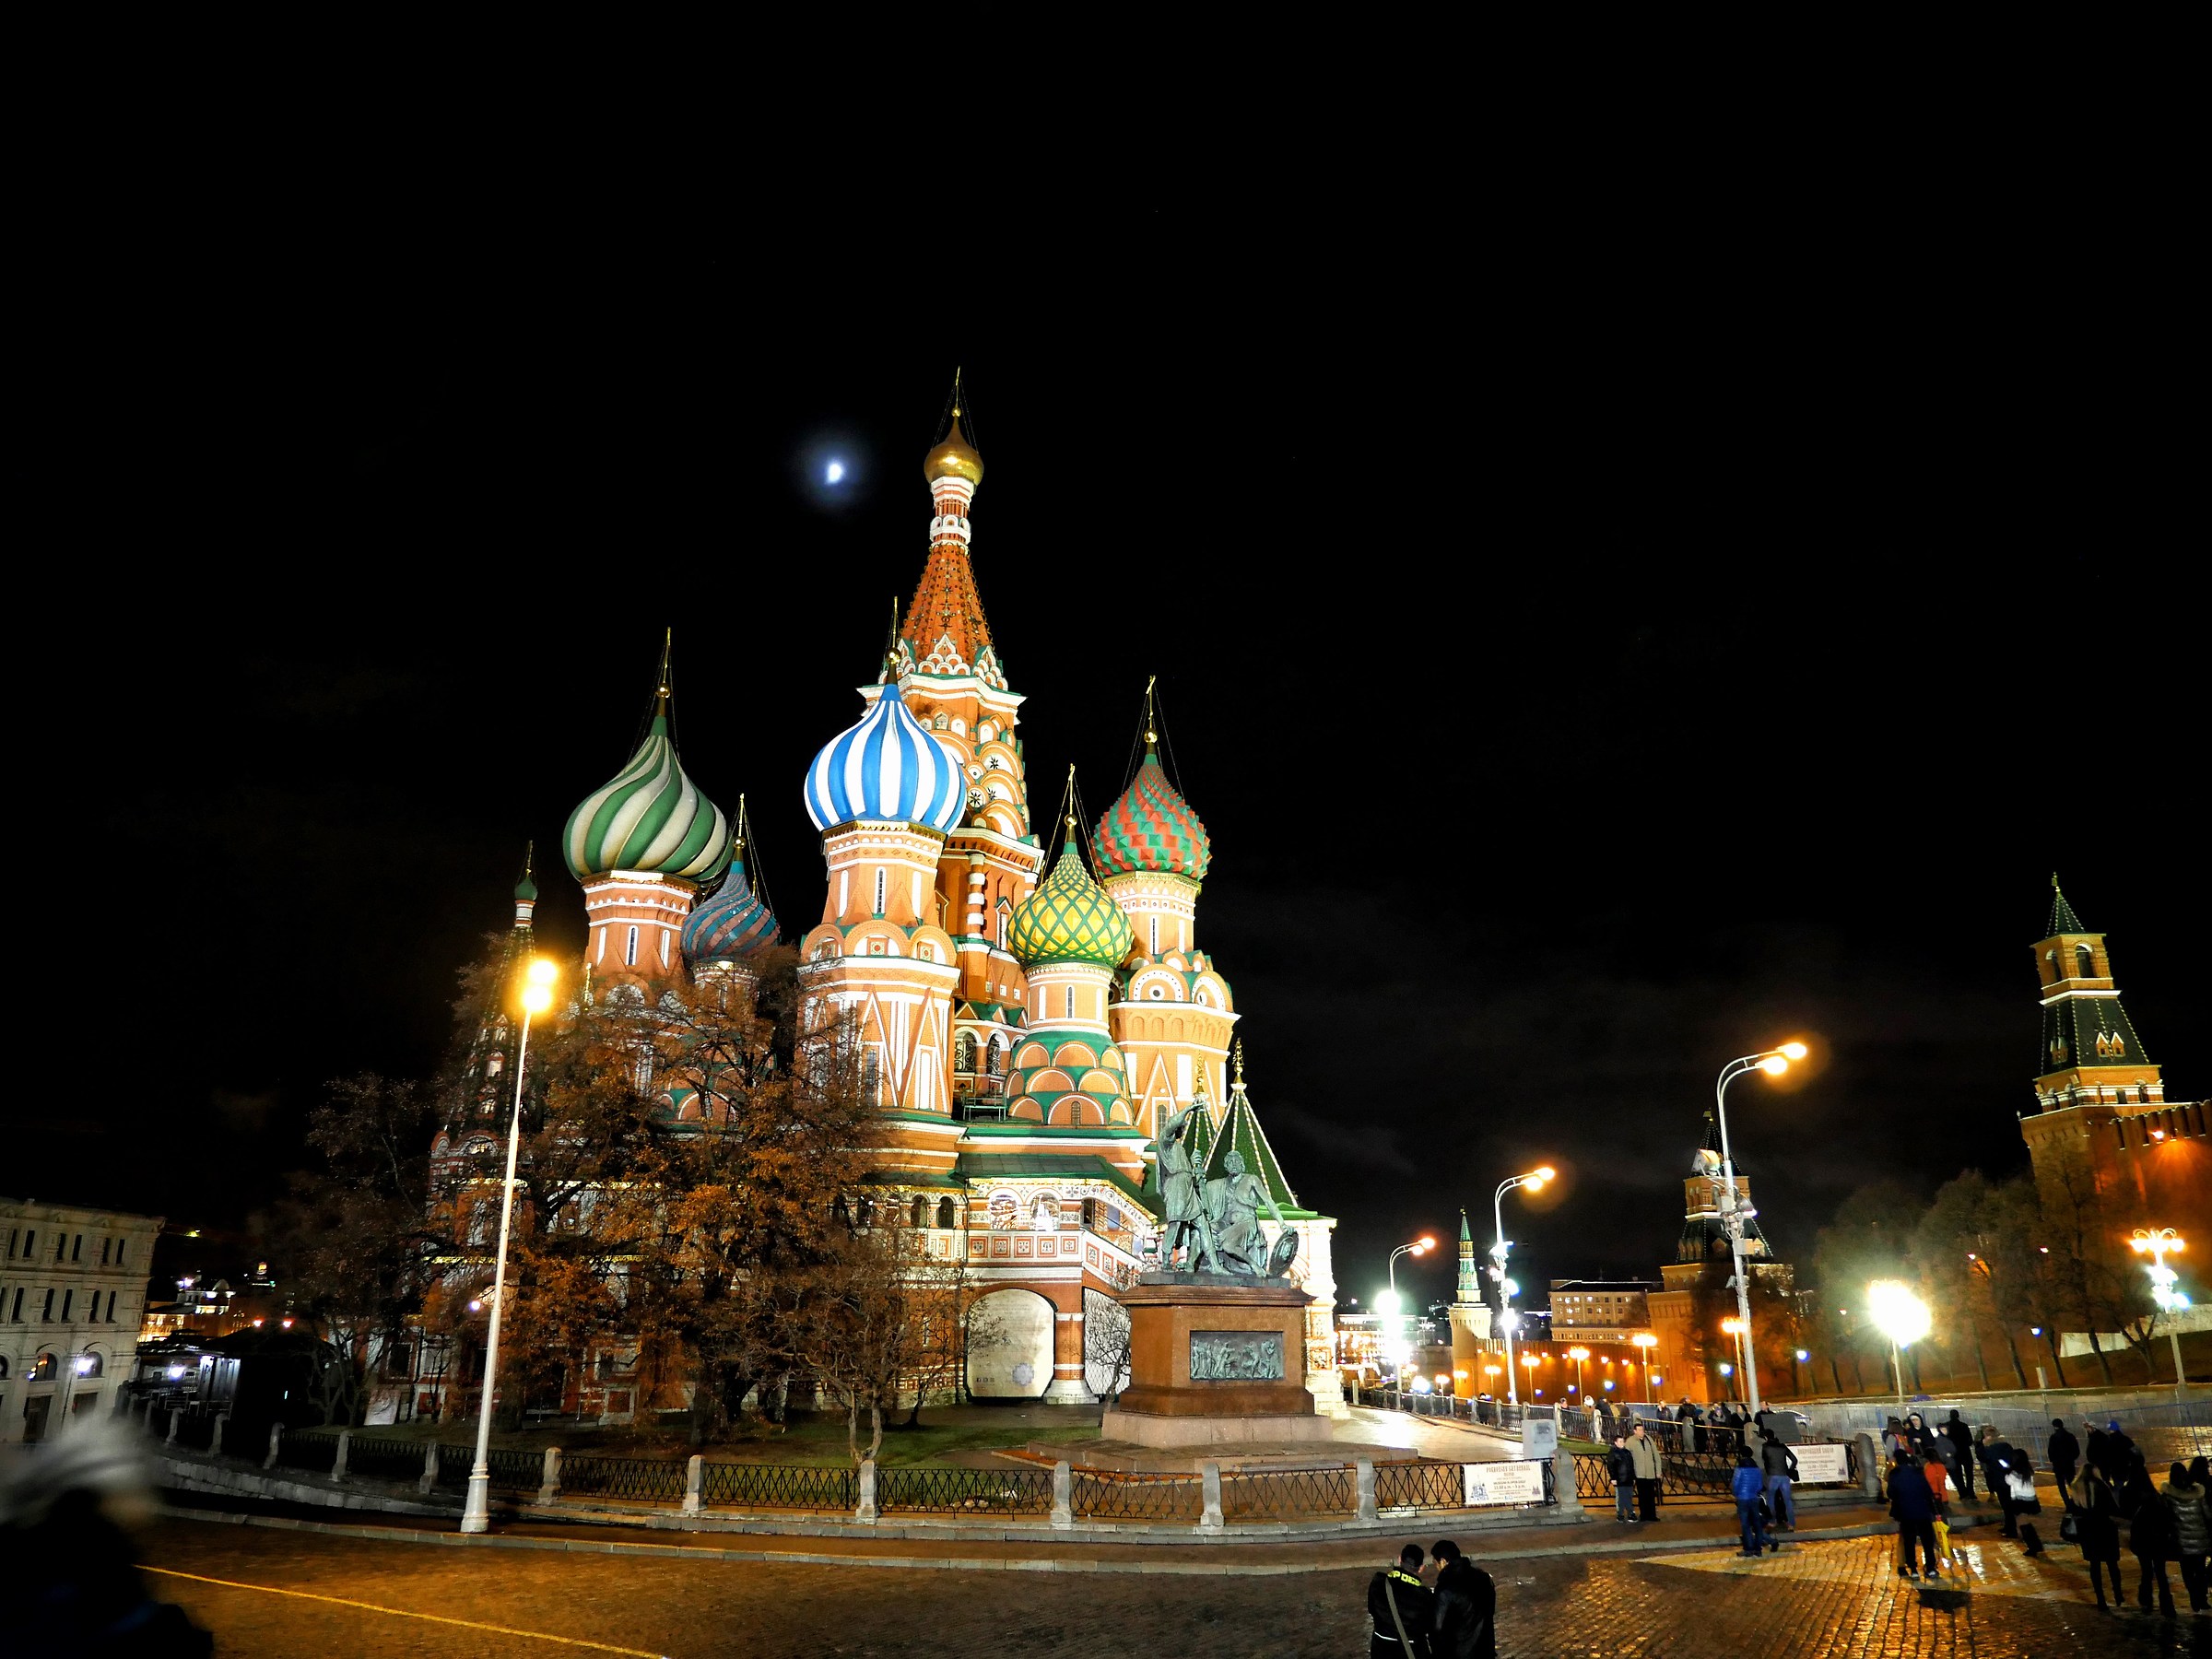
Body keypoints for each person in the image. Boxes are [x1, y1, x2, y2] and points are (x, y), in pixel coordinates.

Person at [2071, 1453, 2127, 1608]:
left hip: (2087, 1531)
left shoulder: (2076, 1488)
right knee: (2112, 1565)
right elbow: (2113, 1509)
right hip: (2105, 1529)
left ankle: (2100, 1599)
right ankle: (2117, 1593)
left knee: (2094, 1566)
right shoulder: (2102, 1486)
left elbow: (2073, 1510)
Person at [2124, 1453, 2177, 1617]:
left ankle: (2146, 1601)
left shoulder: (2129, 1492)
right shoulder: (2154, 1495)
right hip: (2158, 1538)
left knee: (2146, 1570)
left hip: (2142, 1539)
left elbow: (2124, 1511)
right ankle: (2167, 1605)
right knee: (2160, 1571)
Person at [1429, 1538, 1496, 1659]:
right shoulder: (1484, 1579)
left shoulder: (1445, 1588)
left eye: (1436, 1563)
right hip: (1485, 1650)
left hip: (1459, 1653)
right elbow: (1490, 1610)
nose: (1437, 1568)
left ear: (1443, 1561)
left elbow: (1437, 1627)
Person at [1368, 1543, 1435, 1657]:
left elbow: (1371, 1609)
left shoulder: (1378, 1583)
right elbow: (1429, 1626)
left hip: (1381, 1649)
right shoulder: (1425, 1596)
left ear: (1399, 1559)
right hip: (1412, 1651)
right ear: (1421, 1568)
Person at [2160, 1460, 2209, 1615]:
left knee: (2188, 1572)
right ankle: (2203, 1599)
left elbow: (2166, 1519)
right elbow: (2207, 1514)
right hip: (2201, 1539)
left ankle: (2194, 1597)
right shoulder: (2198, 1494)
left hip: (2181, 1541)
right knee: (2200, 1570)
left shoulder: (2168, 1497)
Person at [1888, 1449, 1941, 1581]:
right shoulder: (1918, 1472)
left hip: (1906, 1512)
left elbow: (1891, 1493)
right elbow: (1928, 1492)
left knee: (1909, 1541)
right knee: (1927, 1541)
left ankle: (1913, 1569)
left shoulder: (1895, 1474)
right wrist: (1935, 1512)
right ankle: (1931, 1568)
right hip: (1922, 1511)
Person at [1978, 1427, 2023, 1539]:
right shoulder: (2006, 1446)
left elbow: (1983, 1458)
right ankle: (2008, 1526)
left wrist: (1981, 1445)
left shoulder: (1991, 1448)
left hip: (1999, 1479)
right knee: (2008, 1505)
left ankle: (2011, 1530)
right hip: (2009, 1478)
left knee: (2006, 1505)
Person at [1732, 1446, 1772, 1558]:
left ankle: (1749, 1548)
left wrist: (1737, 1494)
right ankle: (1758, 1549)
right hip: (1754, 1498)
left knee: (1745, 1525)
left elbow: (1735, 1485)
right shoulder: (1756, 1468)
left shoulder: (1739, 1469)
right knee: (1757, 1524)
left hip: (1743, 1499)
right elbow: (1759, 1485)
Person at [1923, 1443, 1956, 1568]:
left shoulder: (1929, 1467)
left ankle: (1937, 1540)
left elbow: (1927, 1482)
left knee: (1933, 1520)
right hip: (1943, 1496)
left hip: (1932, 1497)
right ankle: (1944, 1537)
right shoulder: (1942, 1466)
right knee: (1943, 1518)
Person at [1761, 1430, 1800, 1534]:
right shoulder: (1782, 1446)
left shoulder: (1765, 1447)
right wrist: (1790, 1470)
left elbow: (1765, 1460)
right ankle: (1791, 1523)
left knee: (1771, 1500)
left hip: (1772, 1476)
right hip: (1784, 1476)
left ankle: (1772, 1521)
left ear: (1766, 1437)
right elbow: (1794, 1460)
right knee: (1788, 1501)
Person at [1628, 1420, 1665, 1524]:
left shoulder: (1649, 1439)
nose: (1641, 1432)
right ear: (1634, 1431)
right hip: (1639, 1473)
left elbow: (1656, 1455)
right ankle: (1644, 1515)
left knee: (1651, 1495)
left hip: (1650, 1472)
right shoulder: (1630, 1441)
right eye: (1639, 1430)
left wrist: (1658, 1471)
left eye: (1642, 1430)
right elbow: (1628, 1457)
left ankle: (1652, 1515)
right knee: (1642, 1496)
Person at [2047, 1418, 2082, 1511]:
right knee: (2072, 1484)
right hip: (2069, 1465)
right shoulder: (2070, 1436)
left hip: (2058, 1466)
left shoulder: (2053, 1438)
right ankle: (2077, 1503)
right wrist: (2070, 1459)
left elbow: (2050, 1452)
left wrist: (2054, 1461)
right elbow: (2076, 1451)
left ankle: (2068, 1505)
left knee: (2062, 1486)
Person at [1943, 1409, 1976, 1500]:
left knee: (1958, 1474)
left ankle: (1962, 1493)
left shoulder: (1946, 1427)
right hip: (1965, 1452)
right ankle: (1971, 1492)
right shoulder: (1964, 1426)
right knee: (1969, 1474)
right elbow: (1970, 1441)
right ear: (1958, 1416)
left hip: (1954, 1454)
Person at [1608, 1433, 1637, 1524]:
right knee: (1622, 1497)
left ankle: (1627, 1513)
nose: (1622, 1443)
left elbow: (1631, 1465)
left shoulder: (1627, 1452)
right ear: (1615, 1443)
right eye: (1620, 1441)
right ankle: (1625, 1513)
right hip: (1620, 1478)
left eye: (1623, 1441)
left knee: (1628, 1496)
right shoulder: (1613, 1453)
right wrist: (1613, 1478)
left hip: (1628, 1478)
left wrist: (1632, 1477)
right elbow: (1611, 1466)